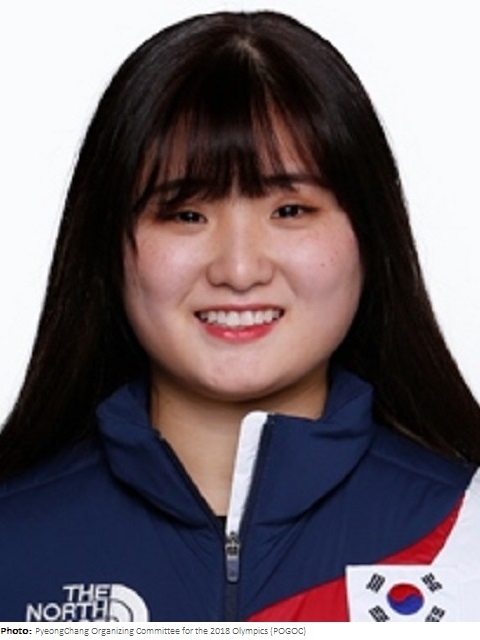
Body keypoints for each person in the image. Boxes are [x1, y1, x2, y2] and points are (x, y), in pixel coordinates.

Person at [1, 10, 480, 623]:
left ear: (371, 235)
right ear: (106, 247)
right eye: (186, 214)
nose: (239, 268)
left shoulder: (466, 536)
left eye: (290, 211)